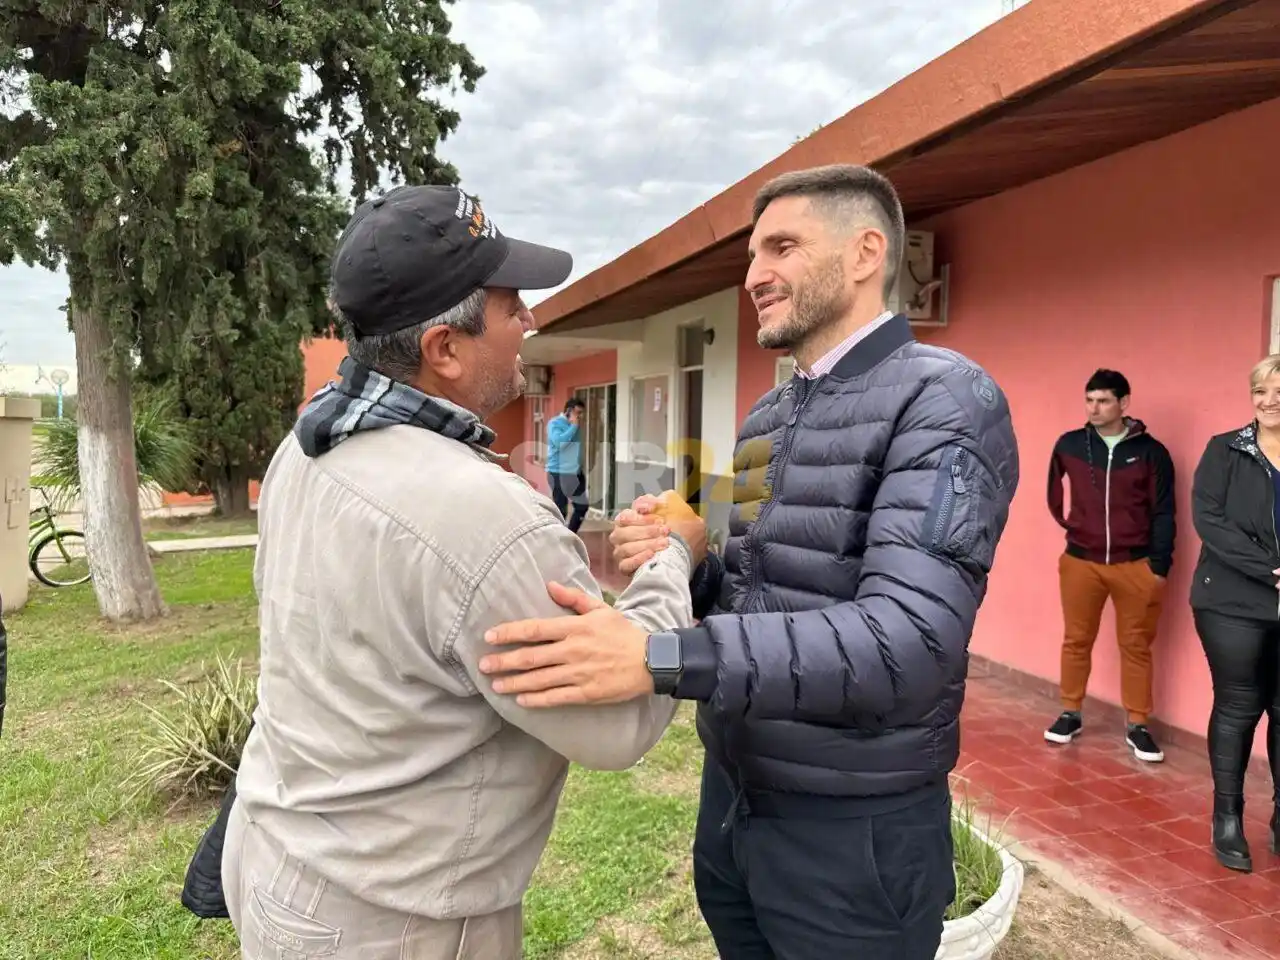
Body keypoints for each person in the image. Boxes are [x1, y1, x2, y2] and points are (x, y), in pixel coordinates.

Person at [478, 164, 1020, 959]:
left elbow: (909, 642)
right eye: (753, 255)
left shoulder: (944, 402)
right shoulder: (769, 415)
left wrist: (659, 657)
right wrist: (686, 555)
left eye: (782, 248)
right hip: (734, 804)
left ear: (866, 252)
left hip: (852, 835)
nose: (754, 276)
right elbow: (750, 589)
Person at [220, 184, 708, 960]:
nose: (530, 322)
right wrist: (673, 555)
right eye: (512, 306)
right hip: (390, 922)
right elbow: (615, 722)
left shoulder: (308, 447)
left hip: (279, 859)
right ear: (444, 349)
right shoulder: (486, 519)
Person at [1043, 369, 1176, 762]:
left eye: (1103, 400)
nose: (1094, 408)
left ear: (1124, 403)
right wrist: (1073, 528)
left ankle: (1138, 724)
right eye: (1089, 400)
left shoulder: (1151, 452)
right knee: (1076, 639)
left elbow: (1164, 511)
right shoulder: (1070, 444)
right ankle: (1070, 712)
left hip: (1134, 564)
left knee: (1136, 645)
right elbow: (1053, 492)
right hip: (1080, 562)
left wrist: (1159, 566)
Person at [1189, 353, 1280, 874]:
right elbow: (1210, 521)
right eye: (1260, 391)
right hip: (1231, 602)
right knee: (1239, 705)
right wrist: (1273, 570)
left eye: (1279, 392)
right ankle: (1227, 817)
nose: (1269, 401)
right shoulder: (1225, 449)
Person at [546, 397, 589, 532]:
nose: (580, 416)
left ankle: (571, 535)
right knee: (561, 511)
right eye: (578, 413)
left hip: (575, 472)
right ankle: (558, 538)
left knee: (582, 506)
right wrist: (574, 426)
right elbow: (559, 443)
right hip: (558, 472)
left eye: (582, 413)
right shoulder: (555, 423)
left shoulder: (575, 425)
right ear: (569, 411)